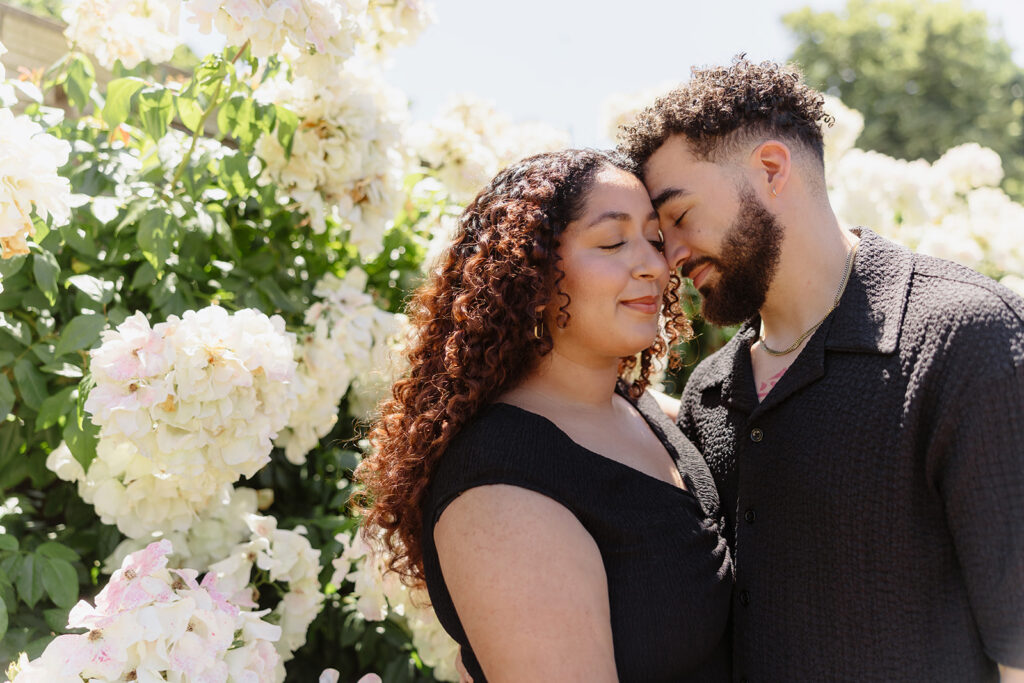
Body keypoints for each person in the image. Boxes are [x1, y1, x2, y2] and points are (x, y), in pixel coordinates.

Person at [615, 57, 1024, 682]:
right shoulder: (709, 394)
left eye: (679, 215)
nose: (670, 257)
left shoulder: (968, 335)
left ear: (772, 169)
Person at [355, 148, 733, 682]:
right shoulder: (502, 489)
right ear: (529, 274)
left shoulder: (641, 408)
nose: (654, 264)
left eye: (653, 239)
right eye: (612, 242)